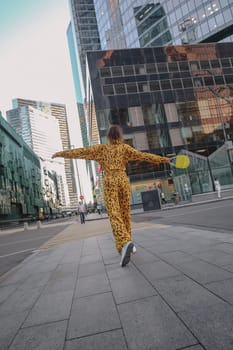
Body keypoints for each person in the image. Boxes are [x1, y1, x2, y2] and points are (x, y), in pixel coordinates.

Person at [52, 125, 170, 267]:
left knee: (114, 214)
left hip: (110, 181)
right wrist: (162, 159)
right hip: (122, 179)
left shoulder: (102, 149)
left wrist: (61, 153)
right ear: (119, 136)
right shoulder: (125, 148)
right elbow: (143, 156)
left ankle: (125, 242)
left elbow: (81, 152)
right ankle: (127, 244)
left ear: (108, 136)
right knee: (125, 214)